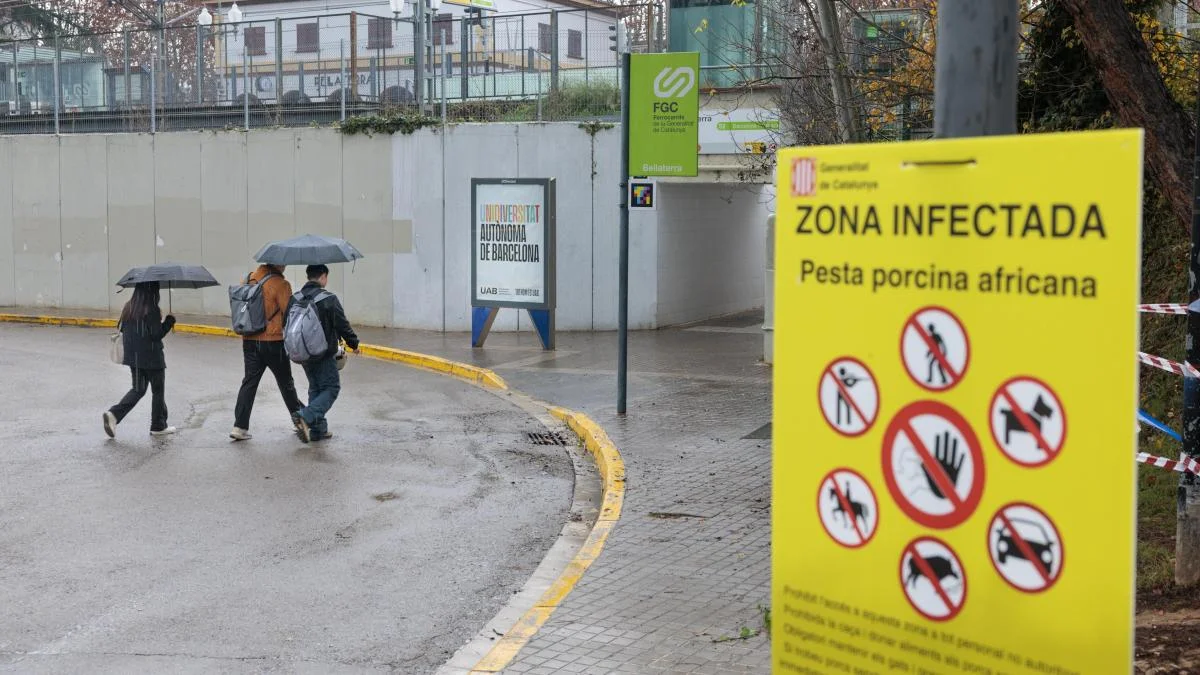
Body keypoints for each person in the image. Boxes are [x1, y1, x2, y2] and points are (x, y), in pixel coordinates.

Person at [231, 263, 304, 441]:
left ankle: (239, 427)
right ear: (278, 264)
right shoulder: (281, 284)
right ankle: (302, 422)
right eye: (284, 264)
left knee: (249, 382)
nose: (285, 266)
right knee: (286, 383)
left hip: (249, 340)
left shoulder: (248, 279)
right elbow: (289, 313)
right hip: (273, 341)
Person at [287, 264, 359, 443]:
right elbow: (342, 324)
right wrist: (353, 343)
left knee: (316, 388)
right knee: (331, 388)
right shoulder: (328, 298)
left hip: (302, 352)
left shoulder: (294, 298)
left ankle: (318, 430)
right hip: (323, 353)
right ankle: (306, 416)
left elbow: (286, 324)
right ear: (323, 276)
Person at [103, 282, 176, 437]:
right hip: (152, 358)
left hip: (134, 358)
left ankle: (114, 415)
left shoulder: (129, 308)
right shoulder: (152, 310)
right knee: (158, 390)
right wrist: (169, 322)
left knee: (138, 389)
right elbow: (156, 335)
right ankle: (158, 426)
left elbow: (123, 329)